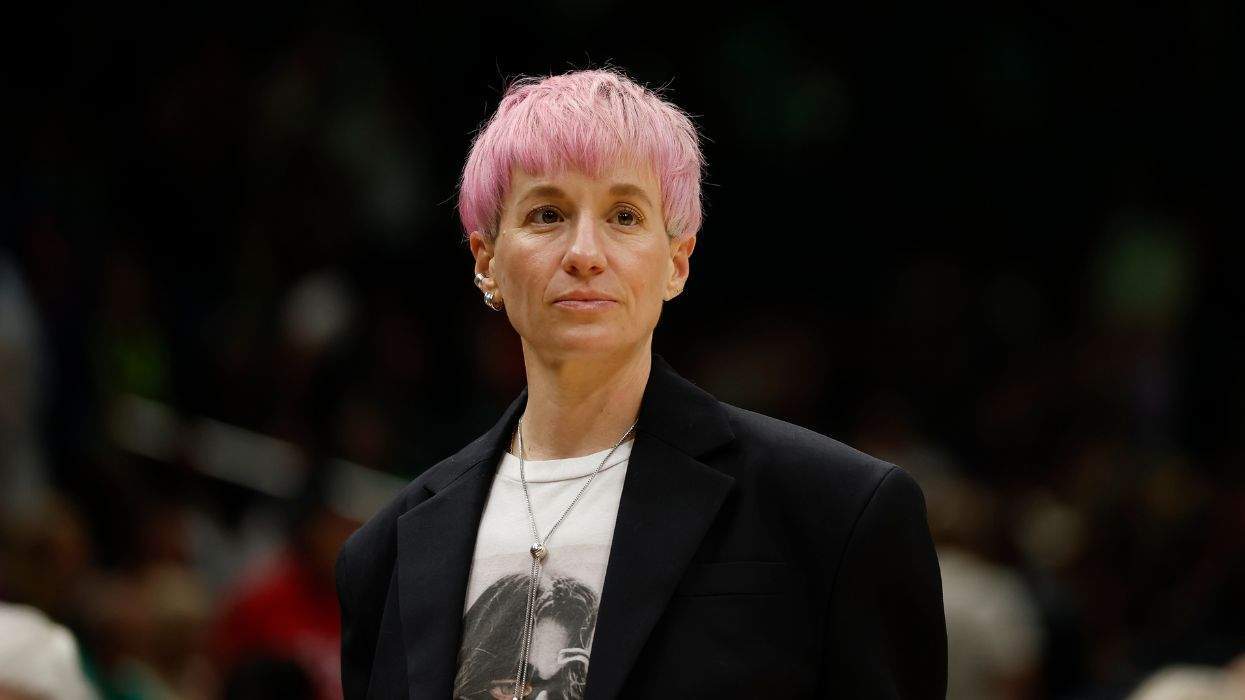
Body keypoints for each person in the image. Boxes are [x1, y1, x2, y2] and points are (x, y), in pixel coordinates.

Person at [335, 67, 947, 699]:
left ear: (677, 262)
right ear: (486, 260)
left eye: (624, 215)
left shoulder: (835, 512)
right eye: (547, 213)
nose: (585, 252)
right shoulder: (386, 556)